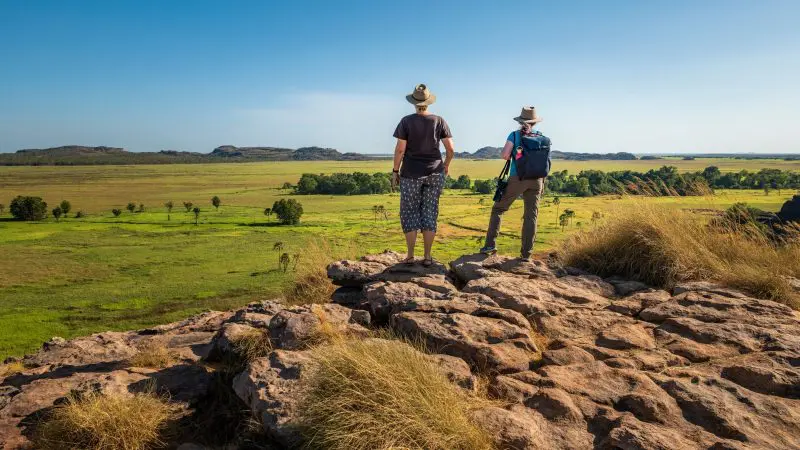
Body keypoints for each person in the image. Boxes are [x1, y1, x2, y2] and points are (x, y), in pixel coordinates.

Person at [391, 84, 455, 266]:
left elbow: (400, 149)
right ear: (428, 102)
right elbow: (450, 149)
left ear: (413, 103)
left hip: (410, 173)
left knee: (409, 212)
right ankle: (427, 257)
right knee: (430, 212)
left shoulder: (406, 121)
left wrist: (395, 171)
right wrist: (446, 165)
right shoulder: (439, 121)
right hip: (435, 172)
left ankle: (410, 256)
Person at [480, 106, 550, 259]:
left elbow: (505, 155)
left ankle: (490, 245)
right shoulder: (542, 137)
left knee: (498, 209)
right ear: (535, 122)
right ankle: (526, 254)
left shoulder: (515, 135)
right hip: (537, 180)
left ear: (520, 121)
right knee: (531, 216)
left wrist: (515, 154)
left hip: (518, 178)